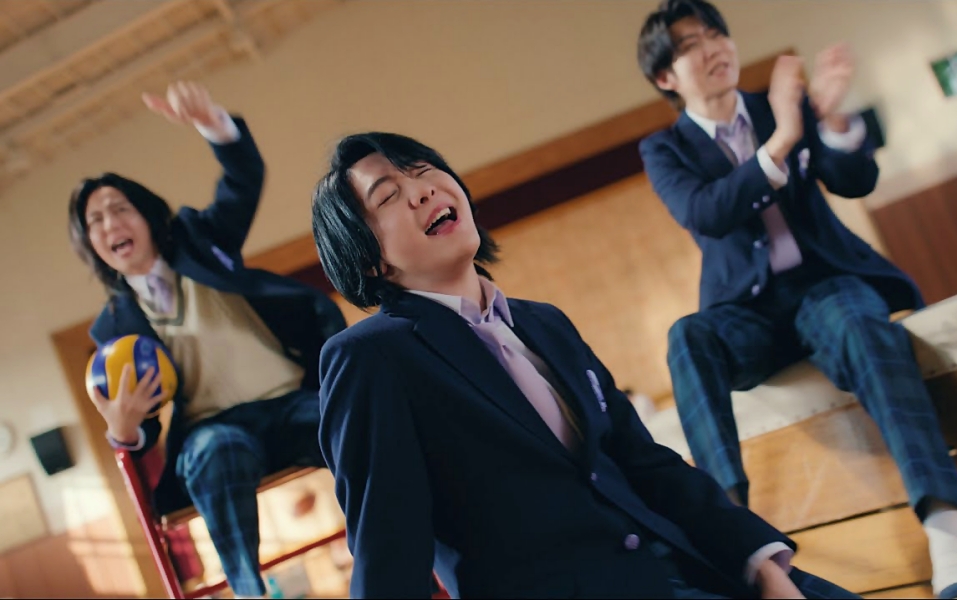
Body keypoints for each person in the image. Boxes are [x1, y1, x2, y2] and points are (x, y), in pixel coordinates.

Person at [311, 131, 858, 599]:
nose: (423, 190)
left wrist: (761, 565)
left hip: (696, 567)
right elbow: (389, 553)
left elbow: (647, 465)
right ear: (370, 259)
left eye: (424, 170)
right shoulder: (370, 358)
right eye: (389, 196)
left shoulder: (545, 323)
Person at [635, 1, 957, 597]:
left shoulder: (784, 105)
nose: (714, 47)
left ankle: (949, 528)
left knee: (858, 319)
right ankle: (736, 540)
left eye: (716, 33)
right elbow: (707, 212)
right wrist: (782, 141)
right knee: (687, 337)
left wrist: (831, 121)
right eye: (691, 44)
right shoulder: (664, 149)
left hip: (823, 285)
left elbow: (856, 180)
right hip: (745, 314)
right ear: (665, 76)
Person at [68, 81, 346, 599]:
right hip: (216, 430)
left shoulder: (199, 241)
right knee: (215, 451)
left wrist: (214, 124)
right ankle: (248, 592)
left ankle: (404, 559)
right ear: (91, 245)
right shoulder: (112, 330)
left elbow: (243, 180)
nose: (110, 223)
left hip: (291, 403)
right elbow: (141, 426)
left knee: (353, 422)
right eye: (95, 220)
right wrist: (124, 432)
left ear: (147, 216)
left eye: (120, 208)